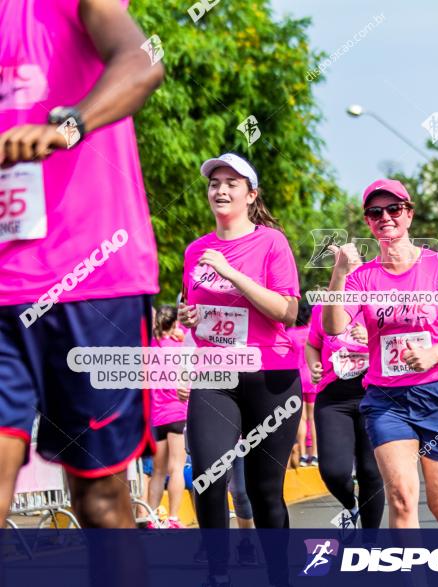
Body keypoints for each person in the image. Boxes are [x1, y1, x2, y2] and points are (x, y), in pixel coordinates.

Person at [0, 0, 163, 541]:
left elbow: (143, 59)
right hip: (4, 288)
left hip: (92, 279)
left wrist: (71, 124)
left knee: (97, 496)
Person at [178, 153, 300, 587]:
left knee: (266, 491)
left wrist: (232, 273)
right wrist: (188, 317)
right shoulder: (195, 250)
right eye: (215, 183)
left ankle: (279, 577)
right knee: (208, 477)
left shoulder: (271, 242)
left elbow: (287, 311)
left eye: (232, 182)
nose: (221, 190)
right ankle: (218, 574)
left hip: (271, 377)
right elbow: (190, 308)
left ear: (251, 195)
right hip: (215, 374)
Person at [323, 178, 438, 529]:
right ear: (368, 221)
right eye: (375, 212)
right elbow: (333, 326)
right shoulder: (361, 278)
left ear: (408, 214)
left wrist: (434, 354)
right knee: (403, 499)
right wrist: (339, 275)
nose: (385, 217)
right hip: (387, 401)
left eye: (393, 209)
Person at [306, 304, 383, 528]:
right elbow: (312, 344)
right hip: (333, 400)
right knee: (333, 472)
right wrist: (314, 366)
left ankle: (370, 544)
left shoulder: (380, 305)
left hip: (375, 396)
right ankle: (351, 505)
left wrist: (372, 338)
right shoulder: (324, 307)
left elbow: (400, 344)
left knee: (370, 471)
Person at [147, 305, 188, 528]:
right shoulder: (181, 345)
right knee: (177, 468)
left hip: (155, 417)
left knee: (158, 471)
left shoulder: (151, 346)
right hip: (177, 413)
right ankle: (173, 518)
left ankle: (151, 518)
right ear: (174, 325)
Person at [288, 304, 317, 467]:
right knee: (313, 418)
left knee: (301, 418)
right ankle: (315, 454)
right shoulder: (311, 332)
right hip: (312, 376)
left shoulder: (289, 334)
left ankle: (303, 456)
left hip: (296, 378)